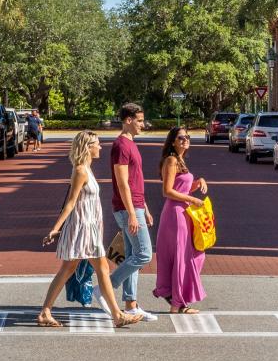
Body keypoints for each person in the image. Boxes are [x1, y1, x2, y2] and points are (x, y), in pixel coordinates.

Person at [38, 131, 140, 329]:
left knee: (74, 268)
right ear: (87, 147)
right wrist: (55, 229)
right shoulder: (81, 170)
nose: (100, 147)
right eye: (97, 144)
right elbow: (71, 202)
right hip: (82, 227)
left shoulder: (87, 169)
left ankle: (45, 311)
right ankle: (117, 314)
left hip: (89, 226)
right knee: (93, 268)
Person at [97, 102, 158, 321]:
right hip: (126, 208)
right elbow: (122, 183)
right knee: (144, 253)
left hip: (137, 206)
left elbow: (136, 182)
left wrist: (145, 209)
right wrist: (133, 213)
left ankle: (130, 304)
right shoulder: (120, 146)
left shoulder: (131, 143)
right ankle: (105, 288)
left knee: (133, 255)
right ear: (128, 120)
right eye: (140, 120)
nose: (143, 124)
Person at [153, 127, 208, 313]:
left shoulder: (180, 160)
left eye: (187, 137)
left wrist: (198, 182)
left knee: (190, 255)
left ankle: (179, 301)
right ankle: (178, 303)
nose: (185, 140)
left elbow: (181, 188)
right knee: (182, 257)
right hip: (175, 214)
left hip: (183, 213)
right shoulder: (171, 160)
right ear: (173, 141)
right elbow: (167, 191)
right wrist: (192, 199)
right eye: (181, 137)